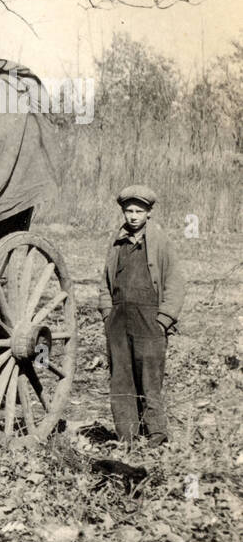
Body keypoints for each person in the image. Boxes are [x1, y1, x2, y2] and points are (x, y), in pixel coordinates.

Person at [97, 185, 184, 447]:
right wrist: (106, 313)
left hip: (150, 319)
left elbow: (175, 283)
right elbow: (104, 281)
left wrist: (163, 320)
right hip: (119, 319)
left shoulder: (160, 242)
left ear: (149, 213)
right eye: (128, 210)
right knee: (121, 378)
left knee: (149, 376)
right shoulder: (117, 241)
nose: (133, 216)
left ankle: (156, 435)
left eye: (139, 211)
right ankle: (127, 436)